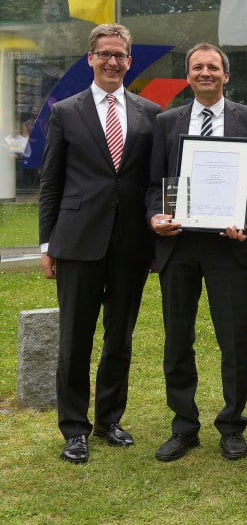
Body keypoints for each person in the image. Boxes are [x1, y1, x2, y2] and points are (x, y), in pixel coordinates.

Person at [145, 42, 247, 462]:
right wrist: (154, 218)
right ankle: (184, 428)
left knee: (234, 339)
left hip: (228, 245)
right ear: (188, 76)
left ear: (226, 75)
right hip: (178, 245)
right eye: (197, 67)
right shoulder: (166, 122)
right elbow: (152, 186)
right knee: (177, 340)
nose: (205, 73)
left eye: (213, 67)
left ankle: (232, 426)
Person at [38, 24, 160, 464]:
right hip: (76, 242)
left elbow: (153, 182)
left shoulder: (150, 112)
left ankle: (109, 419)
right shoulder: (65, 112)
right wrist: (47, 244)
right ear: (90, 58)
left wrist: (155, 239)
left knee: (119, 337)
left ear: (129, 60)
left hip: (131, 244)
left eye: (120, 55)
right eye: (105, 54)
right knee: (74, 340)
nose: (113, 62)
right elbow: (51, 182)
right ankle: (74, 428)